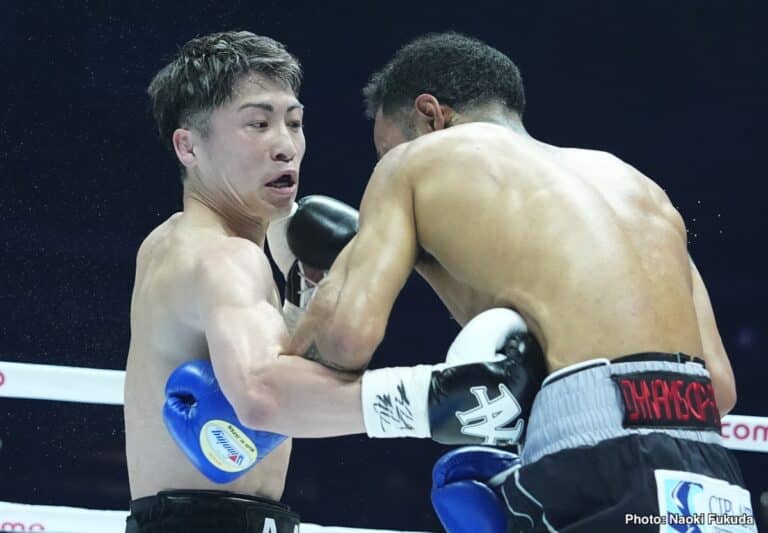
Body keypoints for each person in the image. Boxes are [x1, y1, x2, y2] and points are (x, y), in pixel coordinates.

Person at [234, 32, 753, 531]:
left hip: (594, 459)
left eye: (386, 150)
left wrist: (318, 295)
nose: (385, 164)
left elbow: (346, 340)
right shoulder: (639, 186)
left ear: (429, 114)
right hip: (708, 471)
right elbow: (720, 389)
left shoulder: (416, 163)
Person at [124, 30, 313, 533]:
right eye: (258, 123)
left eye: (293, 123)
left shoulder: (165, 241)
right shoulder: (227, 259)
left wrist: (306, 283)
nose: (285, 146)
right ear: (187, 145)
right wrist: (418, 399)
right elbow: (269, 403)